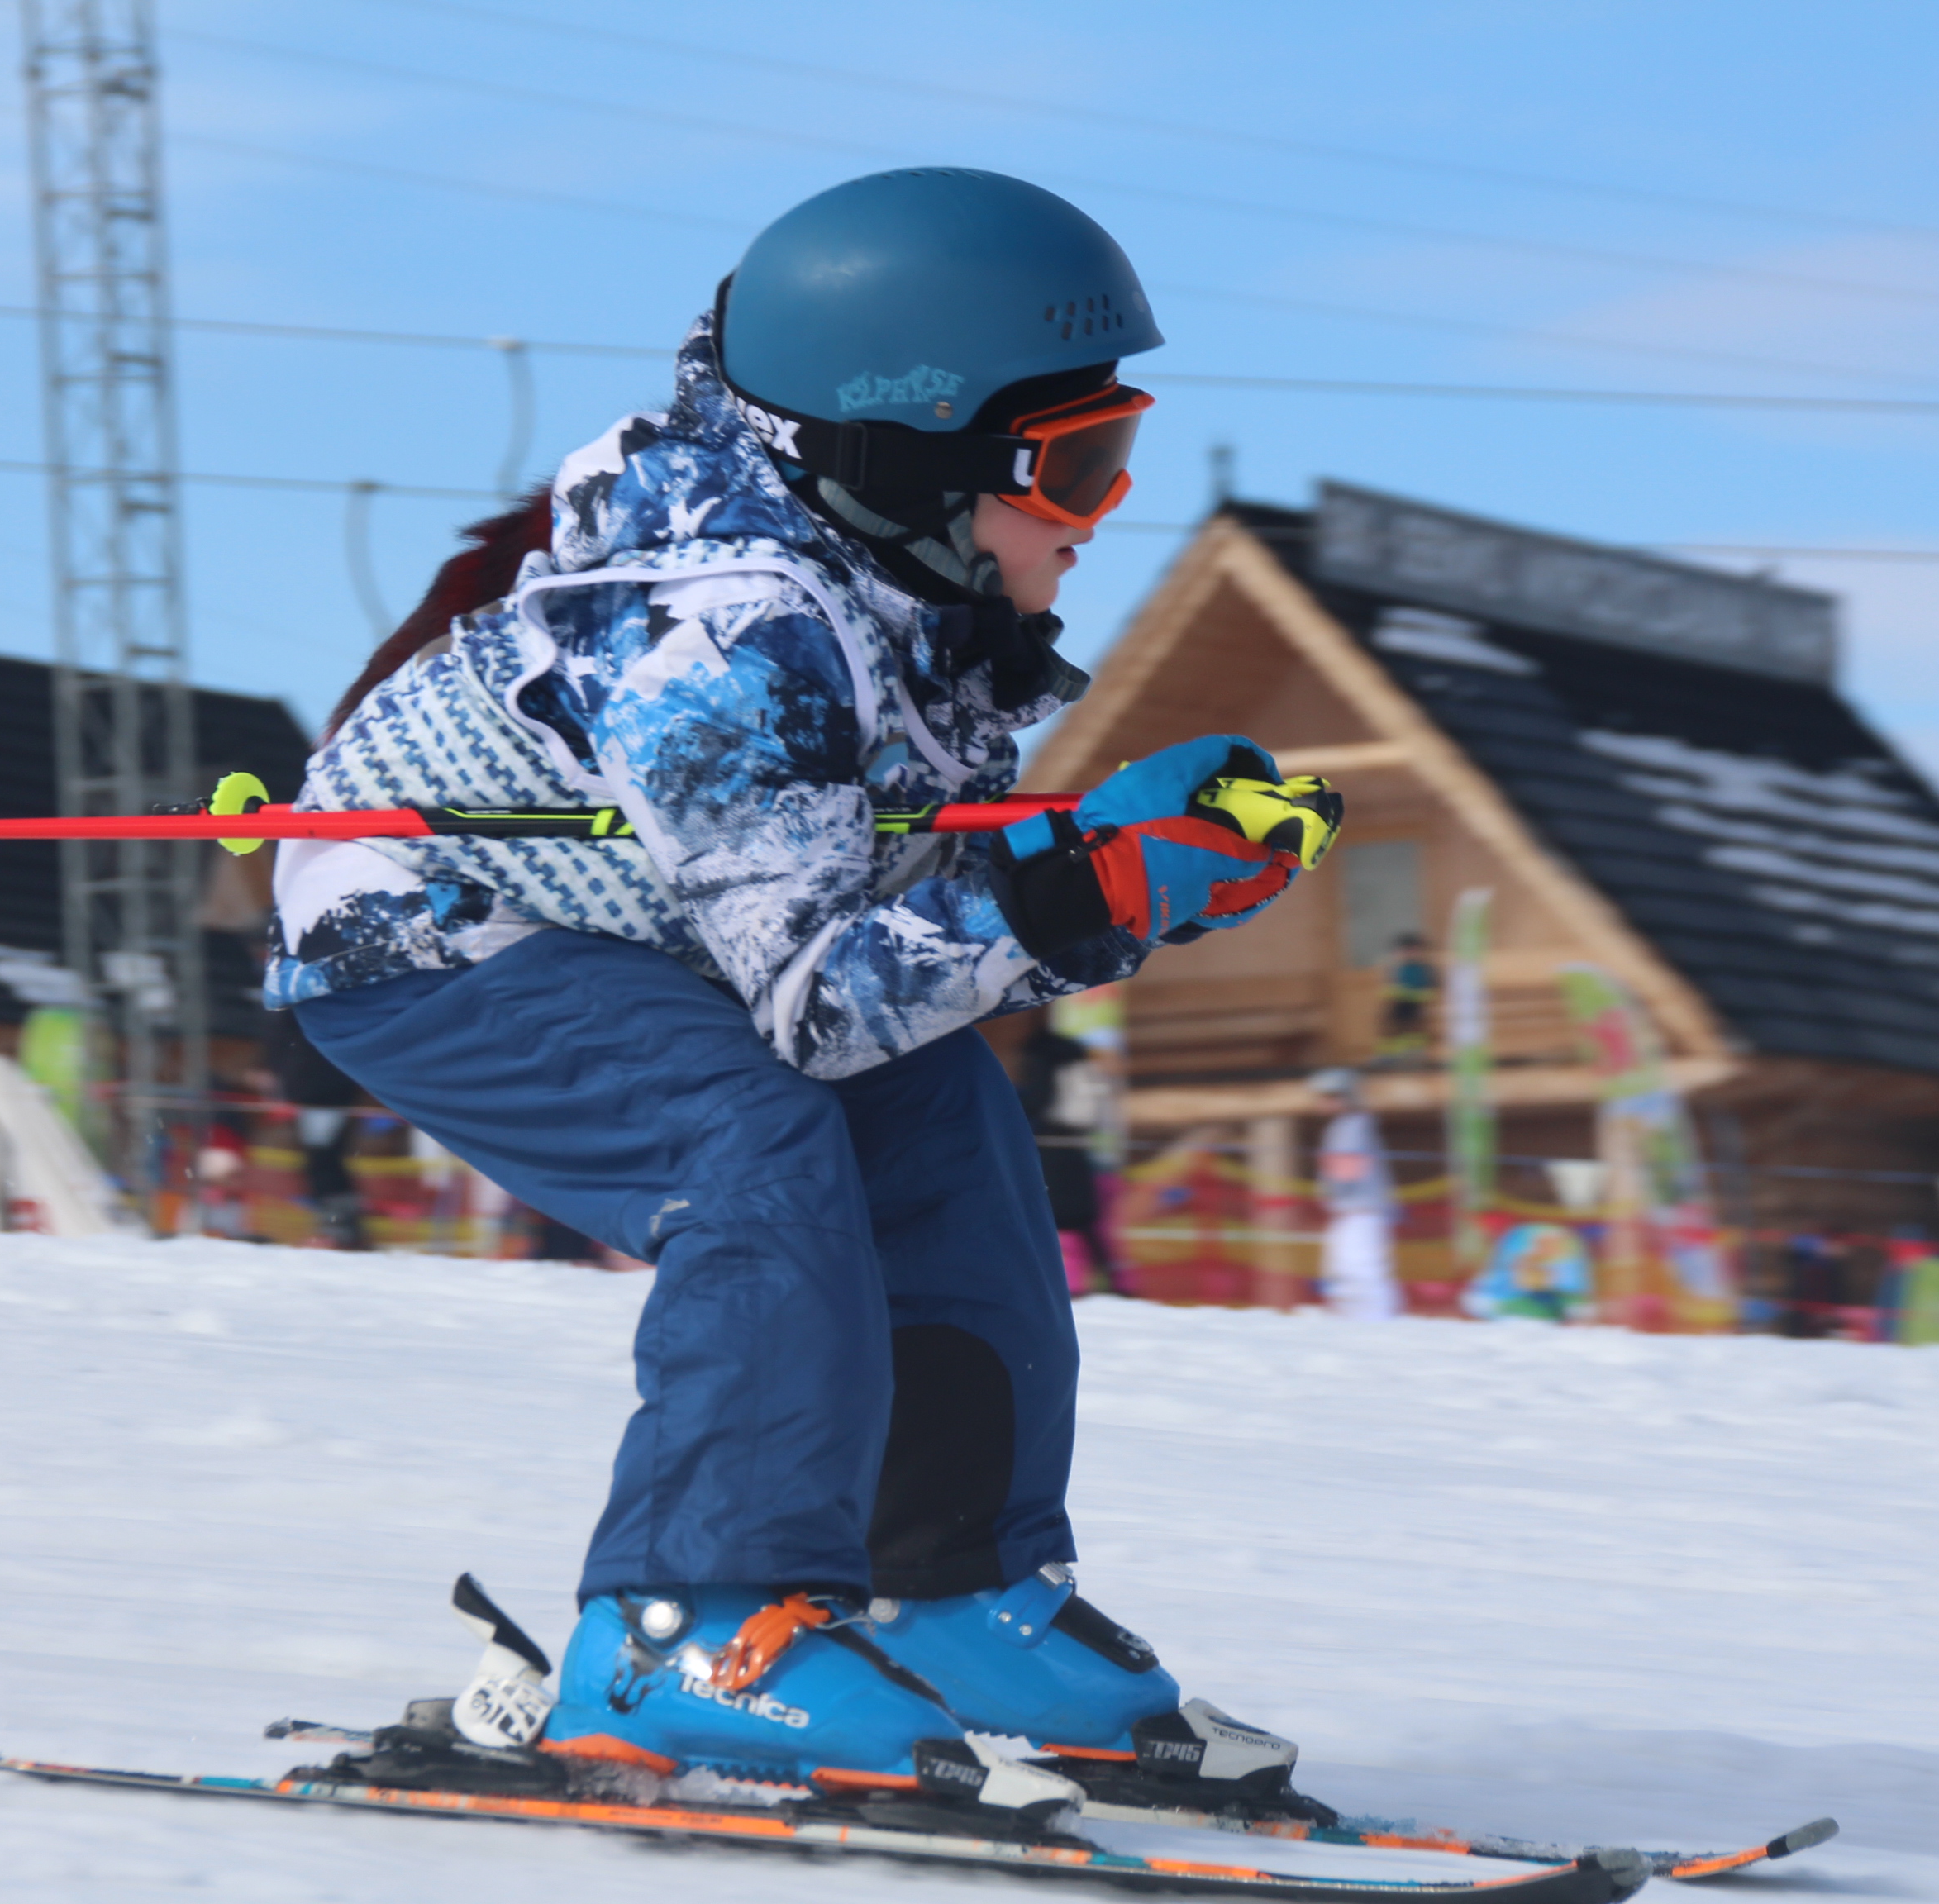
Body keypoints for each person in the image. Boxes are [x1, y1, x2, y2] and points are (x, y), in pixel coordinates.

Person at [269, 169, 1336, 1786]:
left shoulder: (903, 599)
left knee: (947, 1118)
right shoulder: (722, 622)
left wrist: (1108, 864)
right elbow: (821, 1003)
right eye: (1077, 462)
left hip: (652, 931)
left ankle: (946, 1596)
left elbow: (879, 896)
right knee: (747, 1141)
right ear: (910, 455)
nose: (1102, 509)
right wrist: (1090, 893)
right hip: (425, 931)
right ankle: (682, 1628)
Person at [1016, 1025, 1119, 1295]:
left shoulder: (1045, 1060)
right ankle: (1111, 1282)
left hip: (1051, 1148)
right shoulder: (1081, 1065)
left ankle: (1047, 1282)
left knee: (1047, 1217)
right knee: (1084, 1220)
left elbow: (1038, 1100)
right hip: (1076, 1147)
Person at [261, 1008, 371, 1250]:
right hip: (313, 1091)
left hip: (323, 1093)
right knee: (321, 1158)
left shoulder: (304, 1009)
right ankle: (335, 1224)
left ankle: (339, 1227)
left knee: (324, 1157)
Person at [1312, 1068, 1398, 1320]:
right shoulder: (1345, 1125)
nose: (1323, 1102)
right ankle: (1351, 1318)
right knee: (1343, 1268)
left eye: (1330, 1096)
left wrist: (1329, 1189)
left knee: (1359, 1268)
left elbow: (1347, 1167)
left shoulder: (1353, 1125)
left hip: (1360, 1211)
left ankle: (1373, 1319)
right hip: (1351, 1211)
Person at [1379, 931, 1436, 1062]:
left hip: (1418, 1004)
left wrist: (1421, 994)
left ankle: (1416, 1052)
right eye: (1406, 951)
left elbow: (1431, 988)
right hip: (1399, 1003)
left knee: (1415, 1024)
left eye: (1414, 950)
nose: (1410, 954)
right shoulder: (1396, 968)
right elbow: (1389, 986)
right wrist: (1393, 991)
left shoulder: (1425, 969)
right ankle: (1392, 1053)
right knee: (1393, 1022)